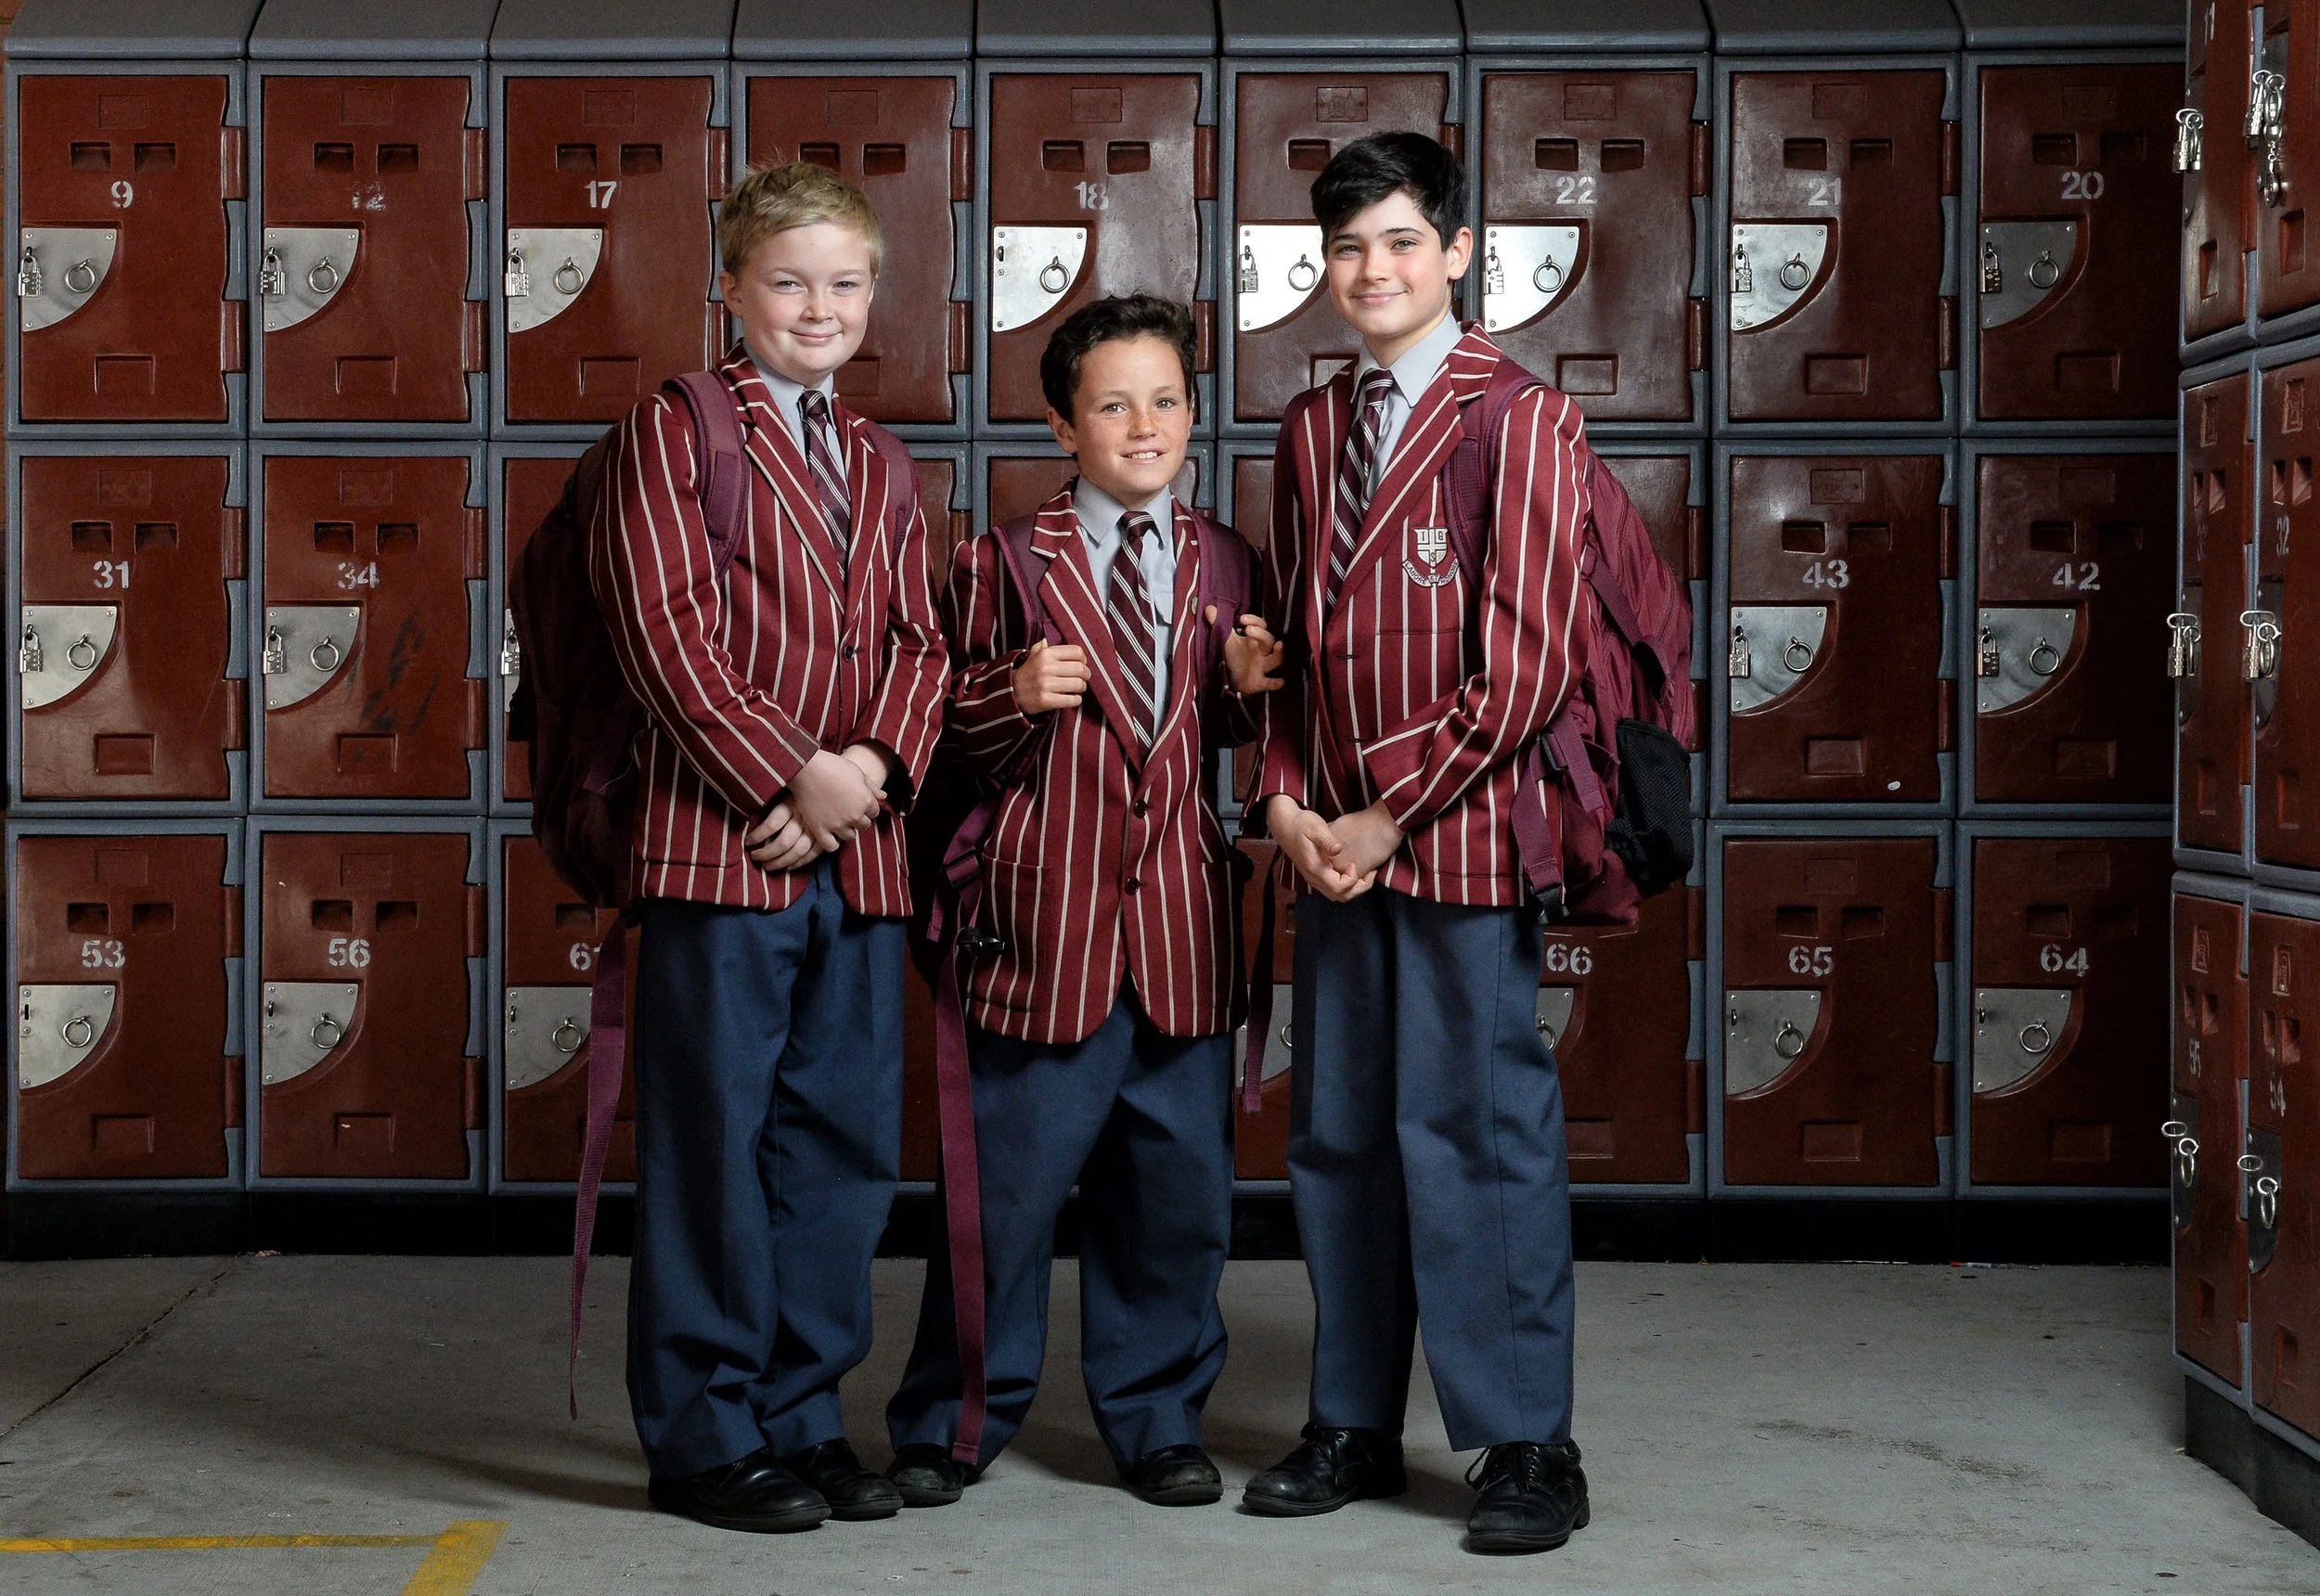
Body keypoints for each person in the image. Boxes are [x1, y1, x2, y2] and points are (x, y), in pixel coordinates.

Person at [1240, 130, 1594, 1554]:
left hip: (1452, 840)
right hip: (1332, 842)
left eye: (1399, 242)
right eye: (1346, 248)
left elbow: (1525, 670)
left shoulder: (1523, 417)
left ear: (1458, 253)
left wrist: (1391, 816)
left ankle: (1525, 1443)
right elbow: (1284, 649)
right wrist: (1282, 801)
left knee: (1477, 1132)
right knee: (1336, 1135)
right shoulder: (1310, 429)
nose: (1371, 271)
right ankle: (1352, 1422)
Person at [586, 161, 947, 1534]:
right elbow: (662, 635)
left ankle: (800, 1419)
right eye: (788, 280)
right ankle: (700, 1434)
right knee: (712, 1148)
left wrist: (864, 774)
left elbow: (923, 643)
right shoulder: (676, 431)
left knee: (839, 1148)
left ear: (873, 297)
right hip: (717, 848)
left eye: (845, 283)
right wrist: (790, 772)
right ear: (730, 288)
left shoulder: (883, 460)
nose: (818, 306)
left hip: (856, 854)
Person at [883, 294, 1283, 1509]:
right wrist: (1007, 694)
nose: (1144, 424)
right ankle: (954, 1421)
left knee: (1173, 1205)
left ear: (1194, 414)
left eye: (1166, 400)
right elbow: (938, 748)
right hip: (1041, 932)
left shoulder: (1226, 560)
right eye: (1113, 404)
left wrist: (1249, 694)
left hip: (1178, 937)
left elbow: (1219, 734)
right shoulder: (1000, 563)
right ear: (1064, 426)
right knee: (996, 1205)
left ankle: (1157, 1418)